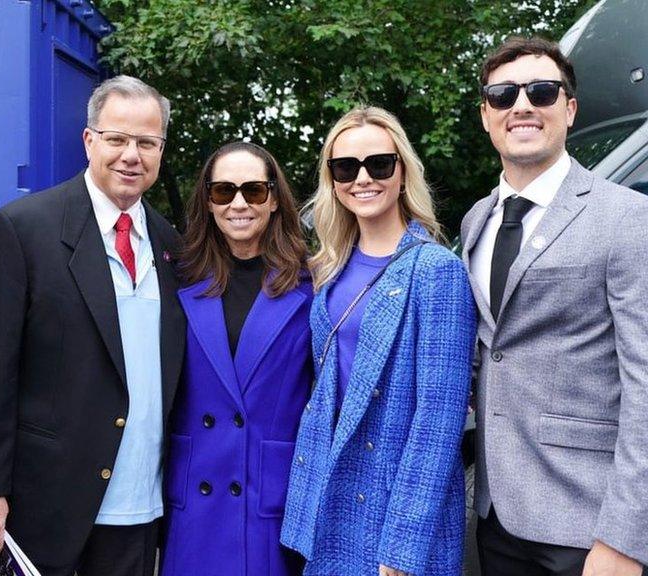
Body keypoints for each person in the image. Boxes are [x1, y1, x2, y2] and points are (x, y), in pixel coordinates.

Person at [0, 75, 185, 576]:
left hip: (141, 506)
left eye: (146, 142)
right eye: (116, 139)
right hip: (44, 506)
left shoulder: (172, 243)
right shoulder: (22, 230)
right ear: (89, 140)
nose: (131, 154)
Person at [461, 36, 648, 576]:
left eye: (541, 91)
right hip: (496, 518)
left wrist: (626, 539)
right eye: (503, 95)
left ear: (568, 108)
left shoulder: (627, 218)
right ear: (486, 116)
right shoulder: (478, 220)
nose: (522, 105)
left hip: (588, 528)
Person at [281, 106, 477, 575]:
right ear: (332, 179)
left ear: (403, 171)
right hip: (332, 495)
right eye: (345, 167)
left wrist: (403, 549)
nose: (362, 178)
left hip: (395, 506)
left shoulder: (436, 270)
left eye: (379, 164)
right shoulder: (328, 269)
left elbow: (439, 421)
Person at [160, 141, 311, 576]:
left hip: (268, 497)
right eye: (224, 191)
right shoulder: (178, 281)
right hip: (195, 495)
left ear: (275, 200)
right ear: (208, 201)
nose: (239, 204)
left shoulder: (312, 286)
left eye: (254, 191)